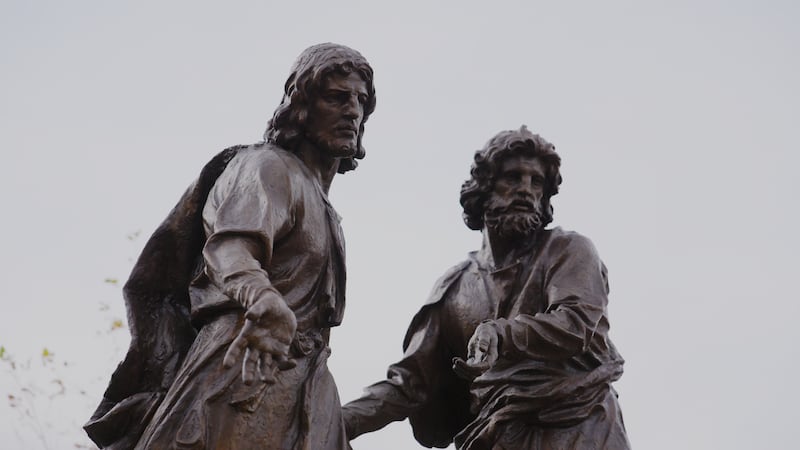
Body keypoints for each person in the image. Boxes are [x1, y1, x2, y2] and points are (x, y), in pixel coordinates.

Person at [84, 42, 376, 450]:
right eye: (337, 97)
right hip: (239, 372)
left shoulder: (325, 207)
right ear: (302, 105)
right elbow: (229, 249)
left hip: (305, 387)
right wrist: (263, 299)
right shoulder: (269, 167)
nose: (353, 110)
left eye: (361, 100)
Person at [342, 126, 630, 449]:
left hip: (580, 429)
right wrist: (344, 419)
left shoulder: (569, 251)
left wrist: (501, 333)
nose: (526, 190)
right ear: (484, 189)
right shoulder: (454, 288)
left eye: (537, 182)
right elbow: (409, 383)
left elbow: (576, 325)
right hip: (498, 436)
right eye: (513, 178)